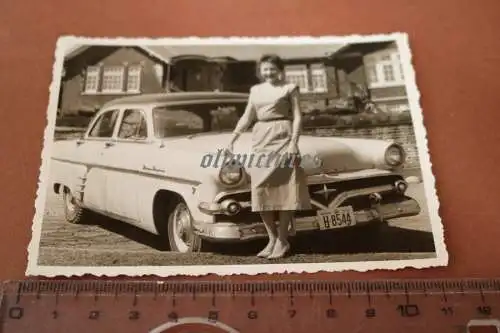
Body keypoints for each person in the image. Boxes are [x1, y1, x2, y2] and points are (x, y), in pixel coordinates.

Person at [226, 54, 311, 259]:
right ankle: (271, 238)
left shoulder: (290, 88)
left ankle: (283, 240)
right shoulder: (255, 90)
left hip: (283, 135)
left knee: (285, 190)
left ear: (280, 70)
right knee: (260, 188)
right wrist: (234, 137)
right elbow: (248, 116)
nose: (269, 73)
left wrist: (293, 142)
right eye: (265, 69)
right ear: (260, 71)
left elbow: (298, 115)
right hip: (261, 138)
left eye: (272, 69)